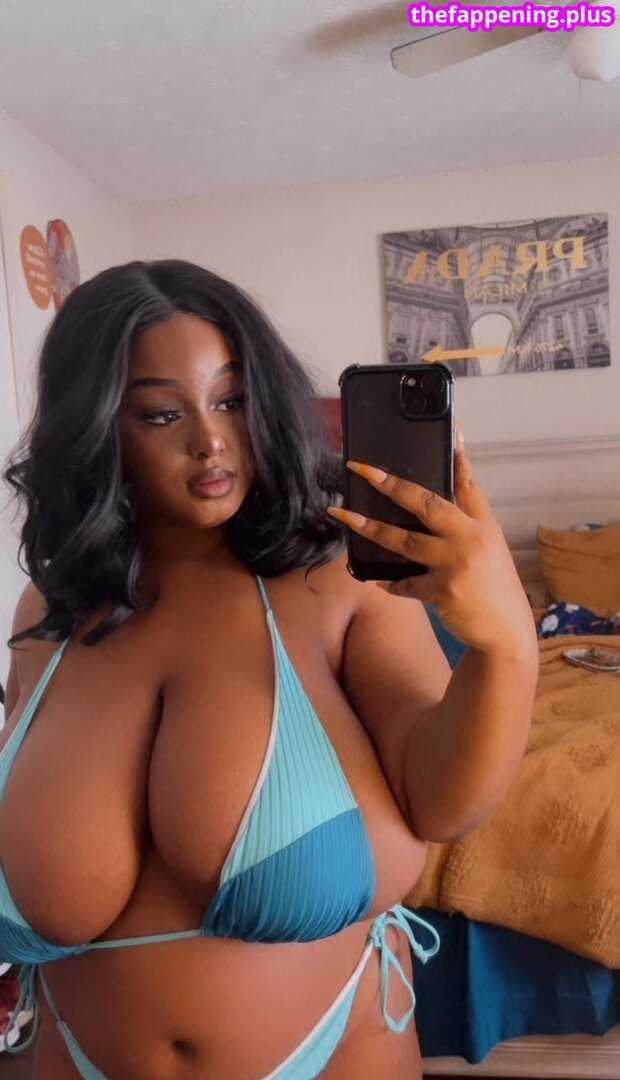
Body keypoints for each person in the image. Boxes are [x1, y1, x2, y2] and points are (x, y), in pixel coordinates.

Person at [0, 260, 538, 1079]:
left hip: (334, 1050)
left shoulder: (335, 574)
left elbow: (445, 802)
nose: (211, 440)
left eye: (233, 400)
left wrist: (505, 648)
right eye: (162, 413)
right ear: (96, 425)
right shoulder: (50, 608)